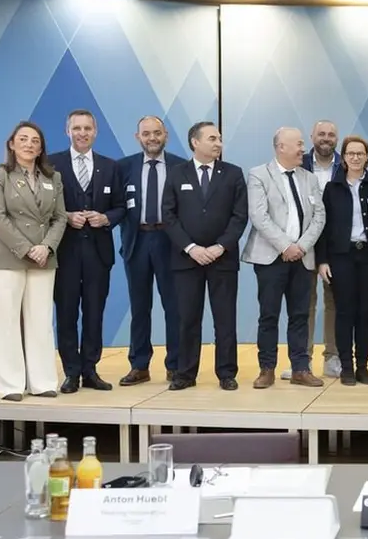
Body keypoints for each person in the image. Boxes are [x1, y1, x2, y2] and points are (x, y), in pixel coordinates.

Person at [162, 122, 248, 391]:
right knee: (187, 318)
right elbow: (168, 215)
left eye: (220, 138)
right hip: (186, 261)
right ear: (195, 142)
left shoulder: (233, 174)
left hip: (223, 259)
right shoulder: (177, 173)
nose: (218, 143)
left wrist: (220, 247)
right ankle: (185, 373)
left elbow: (240, 216)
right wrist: (191, 248)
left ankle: (226, 373)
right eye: (212, 138)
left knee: (225, 319)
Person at [0, 121, 66, 401]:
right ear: (12, 144)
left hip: (44, 259)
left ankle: (43, 382)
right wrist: (27, 248)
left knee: (41, 321)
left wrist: (46, 246)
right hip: (7, 257)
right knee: (5, 321)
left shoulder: (52, 178)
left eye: (35, 140)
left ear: (41, 147)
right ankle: (10, 385)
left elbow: (60, 217)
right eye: (23, 139)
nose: (29, 144)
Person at [242, 127, 327, 389]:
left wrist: (300, 246)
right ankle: (266, 369)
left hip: (302, 257)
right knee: (269, 315)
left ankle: (300, 368)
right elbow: (259, 216)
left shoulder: (309, 178)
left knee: (300, 315)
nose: (303, 148)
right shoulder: (259, 175)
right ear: (281, 147)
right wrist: (285, 246)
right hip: (270, 257)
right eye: (299, 144)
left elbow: (319, 216)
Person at [48, 109, 123, 393]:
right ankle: (71, 372)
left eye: (87, 128)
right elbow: (43, 205)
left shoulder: (110, 166)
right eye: (77, 128)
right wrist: (66, 215)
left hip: (98, 253)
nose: (82, 133)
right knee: (66, 314)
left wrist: (106, 218)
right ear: (67, 131)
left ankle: (90, 369)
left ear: (96, 132)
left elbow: (120, 207)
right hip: (64, 252)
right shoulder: (51, 164)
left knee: (94, 313)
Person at [116, 116, 187, 386]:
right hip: (137, 242)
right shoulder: (124, 167)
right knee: (140, 307)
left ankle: (176, 365)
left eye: (157, 133)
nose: (152, 138)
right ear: (138, 137)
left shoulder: (181, 166)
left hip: (171, 243)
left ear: (166, 134)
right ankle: (139, 365)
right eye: (146, 134)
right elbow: (117, 205)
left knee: (174, 307)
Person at [316, 135, 368, 385]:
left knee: (365, 313)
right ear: (343, 157)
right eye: (350, 153)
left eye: (360, 153)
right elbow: (323, 227)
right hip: (341, 257)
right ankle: (346, 365)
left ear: (367, 157)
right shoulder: (332, 188)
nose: (355, 157)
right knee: (344, 312)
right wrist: (322, 260)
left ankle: (363, 366)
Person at [299, 119, 342, 379]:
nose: (326, 138)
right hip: (302, 242)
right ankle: (301, 359)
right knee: (304, 303)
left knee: (333, 302)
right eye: (321, 134)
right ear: (312, 136)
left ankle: (332, 357)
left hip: (335, 244)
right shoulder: (298, 163)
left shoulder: (346, 165)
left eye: (331, 135)